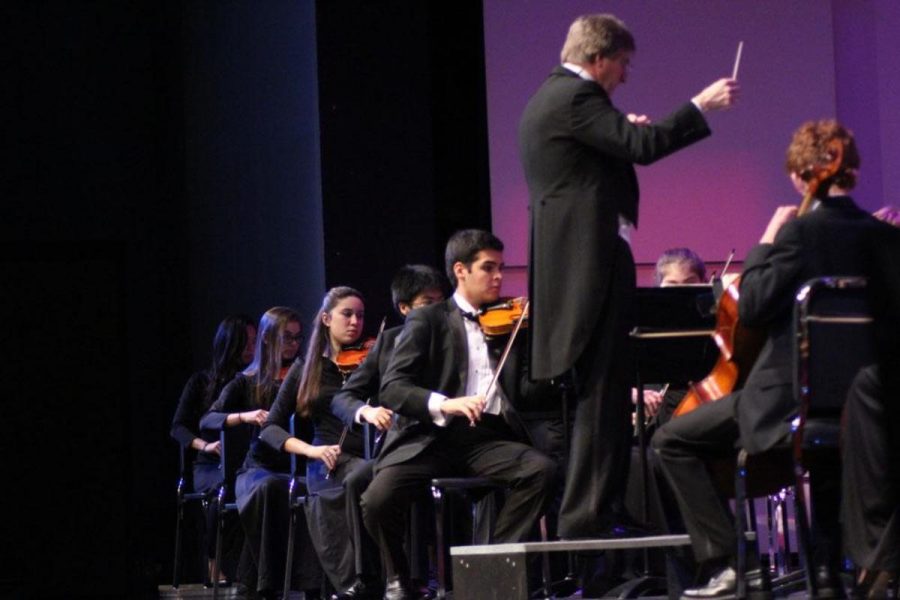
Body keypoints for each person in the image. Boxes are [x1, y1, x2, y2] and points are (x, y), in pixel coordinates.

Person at [518, 13, 738, 538]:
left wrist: (621, 136)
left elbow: (601, 159)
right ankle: (588, 520)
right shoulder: (576, 97)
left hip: (579, 267)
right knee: (601, 393)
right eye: (623, 64)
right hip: (588, 268)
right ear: (598, 59)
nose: (625, 75)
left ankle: (601, 510)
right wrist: (700, 106)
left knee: (608, 392)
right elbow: (643, 149)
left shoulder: (556, 99)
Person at [651, 119, 881, 599]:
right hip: (868, 406)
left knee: (671, 440)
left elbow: (752, 305)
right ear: (852, 171)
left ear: (800, 177)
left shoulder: (799, 236)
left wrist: (767, 240)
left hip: (790, 402)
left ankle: (732, 563)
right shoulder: (884, 238)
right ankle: (836, 566)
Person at [361, 229, 558, 600]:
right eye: (488, 268)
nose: (499, 276)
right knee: (377, 500)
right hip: (430, 439)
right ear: (461, 270)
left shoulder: (510, 322)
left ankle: (491, 567)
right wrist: (444, 403)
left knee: (541, 471)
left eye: (501, 267)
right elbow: (393, 387)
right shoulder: (429, 320)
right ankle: (399, 578)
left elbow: (530, 392)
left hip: (486, 440)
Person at [261, 287, 389, 596]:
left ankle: (384, 577)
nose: (355, 322)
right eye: (347, 314)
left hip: (370, 456)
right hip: (326, 460)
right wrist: (311, 450)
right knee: (361, 476)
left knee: (370, 474)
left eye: (360, 315)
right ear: (326, 318)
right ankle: (359, 580)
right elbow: (270, 428)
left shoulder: (370, 362)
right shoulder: (305, 369)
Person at [328, 265, 447, 600]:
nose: (437, 309)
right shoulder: (389, 341)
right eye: (427, 302)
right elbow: (344, 396)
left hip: (441, 442)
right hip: (400, 445)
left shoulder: (453, 336)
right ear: (405, 308)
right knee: (356, 480)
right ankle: (369, 577)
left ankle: (418, 577)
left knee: (409, 484)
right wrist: (365, 410)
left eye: (441, 301)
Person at [201, 306, 325, 599]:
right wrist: (244, 416)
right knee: (271, 488)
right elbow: (208, 420)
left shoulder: (302, 378)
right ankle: (264, 584)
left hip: (297, 466)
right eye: (287, 338)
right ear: (268, 339)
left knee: (311, 490)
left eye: (297, 338)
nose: (294, 345)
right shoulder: (247, 381)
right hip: (257, 469)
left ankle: (309, 585)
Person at [170, 313, 256, 582]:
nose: (251, 350)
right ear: (229, 344)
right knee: (221, 492)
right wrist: (205, 445)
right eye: (245, 343)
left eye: (255, 343)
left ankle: (253, 569)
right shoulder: (202, 382)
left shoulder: (252, 381)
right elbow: (179, 427)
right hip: (209, 464)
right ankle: (214, 564)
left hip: (245, 461)